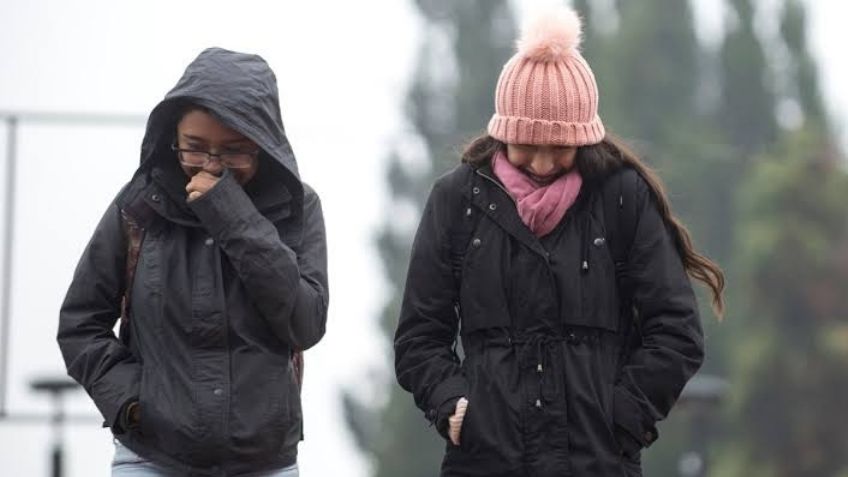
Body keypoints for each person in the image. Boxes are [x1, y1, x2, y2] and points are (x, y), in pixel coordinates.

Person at [394, 5, 725, 477]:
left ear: (586, 138)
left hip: (598, 463)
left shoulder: (623, 198)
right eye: (527, 144)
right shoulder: (456, 201)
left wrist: (624, 420)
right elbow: (418, 339)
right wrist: (454, 407)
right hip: (486, 464)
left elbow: (676, 331)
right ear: (502, 132)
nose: (544, 163)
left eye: (560, 147)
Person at [57, 47, 328, 476]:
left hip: (264, 462)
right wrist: (130, 403)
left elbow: (306, 323)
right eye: (195, 148)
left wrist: (234, 217)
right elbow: (80, 324)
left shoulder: (298, 208)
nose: (212, 165)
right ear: (172, 138)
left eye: (235, 150)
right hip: (151, 457)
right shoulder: (137, 205)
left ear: (264, 142)